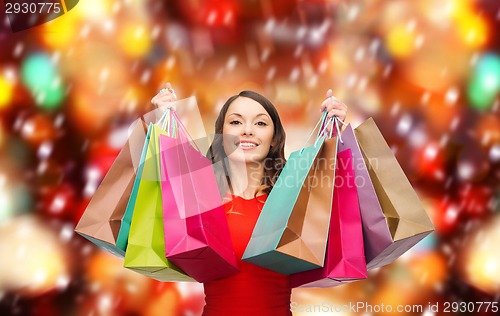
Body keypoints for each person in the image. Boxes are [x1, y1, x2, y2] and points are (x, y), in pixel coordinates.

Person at [151, 83, 348, 315]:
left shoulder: (295, 200)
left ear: (274, 139)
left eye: (261, 123)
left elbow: (343, 222)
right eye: (236, 122)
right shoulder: (201, 200)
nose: (247, 130)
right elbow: (156, 200)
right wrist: (162, 122)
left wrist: (338, 138)